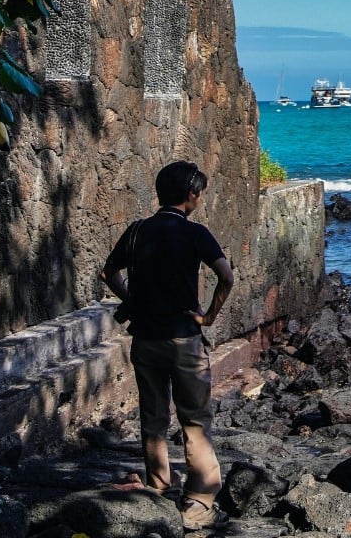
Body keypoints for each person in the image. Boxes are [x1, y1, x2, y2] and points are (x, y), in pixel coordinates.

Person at [101, 160, 237, 531]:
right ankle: (200, 500)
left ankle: (158, 486)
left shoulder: (137, 230)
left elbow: (107, 272)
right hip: (184, 339)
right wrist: (208, 316)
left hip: (146, 339)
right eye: (200, 192)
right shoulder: (196, 234)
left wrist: (131, 298)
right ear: (192, 195)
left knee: (154, 416)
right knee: (195, 420)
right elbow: (226, 276)